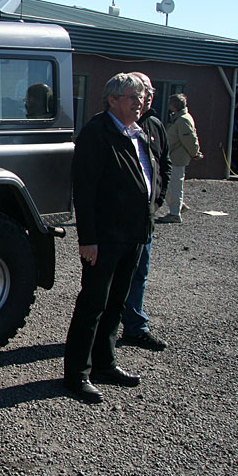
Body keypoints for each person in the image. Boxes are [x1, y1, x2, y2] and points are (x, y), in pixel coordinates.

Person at [64, 73, 158, 403]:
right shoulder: (97, 133)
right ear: (112, 99)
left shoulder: (137, 132)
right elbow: (85, 189)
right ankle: (77, 373)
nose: (139, 102)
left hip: (134, 234)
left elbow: (149, 174)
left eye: (142, 97)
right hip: (105, 237)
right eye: (133, 97)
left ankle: (105, 363)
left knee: (117, 302)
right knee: (93, 304)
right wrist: (87, 239)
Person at [120, 72, 170, 351]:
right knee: (114, 274)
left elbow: (164, 164)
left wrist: (157, 201)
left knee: (140, 272)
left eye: (150, 92)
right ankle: (105, 328)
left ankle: (135, 327)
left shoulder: (155, 125)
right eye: (141, 92)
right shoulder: (120, 126)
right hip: (120, 220)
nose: (146, 97)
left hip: (145, 218)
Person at [159, 93, 202, 224]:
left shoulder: (183, 120)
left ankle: (175, 214)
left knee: (175, 185)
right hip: (171, 156)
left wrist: (195, 153)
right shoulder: (179, 118)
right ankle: (179, 206)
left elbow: (190, 139)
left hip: (177, 158)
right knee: (167, 184)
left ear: (173, 106)